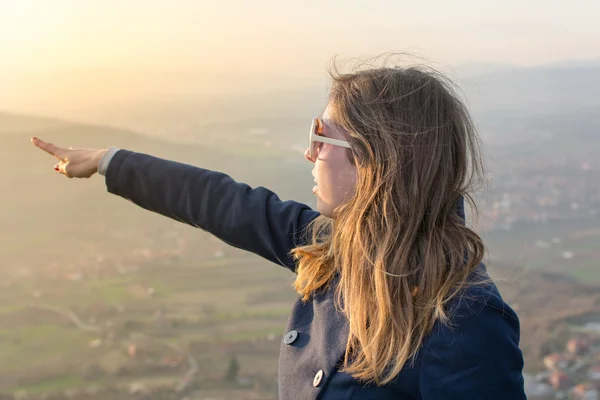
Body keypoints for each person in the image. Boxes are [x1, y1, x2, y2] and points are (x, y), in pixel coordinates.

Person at [31, 60, 526, 399]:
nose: (310, 154)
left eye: (321, 137)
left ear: (377, 159)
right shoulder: (340, 249)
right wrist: (109, 162)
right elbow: (223, 203)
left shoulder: (462, 318)